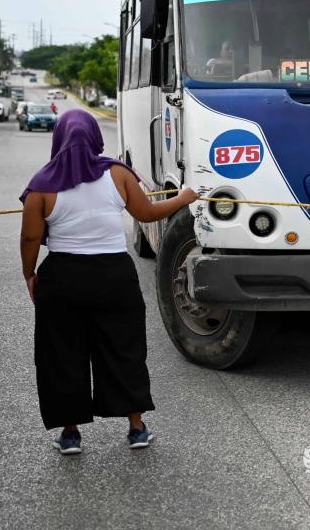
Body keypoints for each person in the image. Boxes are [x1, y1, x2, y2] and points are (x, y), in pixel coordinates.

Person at [20, 109, 199, 455]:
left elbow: (30, 238)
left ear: (58, 139)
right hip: (114, 277)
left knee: (62, 354)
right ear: (94, 137)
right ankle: (136, 428)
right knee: (123, 348)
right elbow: (146, 213)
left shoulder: (41, 184)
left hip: (62, 278)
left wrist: (30, 273)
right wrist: (183, 198)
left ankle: (70, 434)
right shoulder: (117, 174)